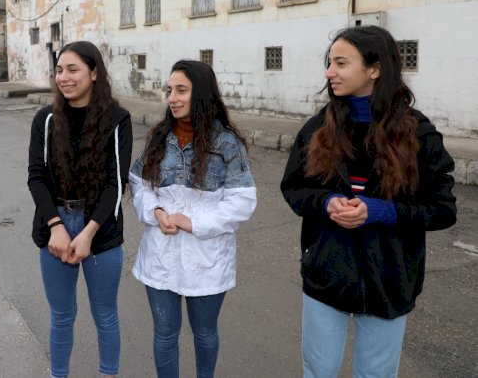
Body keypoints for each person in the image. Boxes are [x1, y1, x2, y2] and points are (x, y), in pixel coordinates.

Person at [280, 25, 457, 378]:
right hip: (327, 272)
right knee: (318, 371)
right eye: (329, 63)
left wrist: (381, 211)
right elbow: (295, 188)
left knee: (375, 375)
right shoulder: (319, 127)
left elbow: (442, 208)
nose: (330, 72)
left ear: (374, 69)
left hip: (388, 278)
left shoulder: (417, 133)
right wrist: (327, 203)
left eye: (341, 63)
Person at [129, 59, 257, 378]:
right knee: (164, 334)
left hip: (207, 257)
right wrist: (155, 212)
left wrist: (192, 222)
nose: (172, 97)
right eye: (170, 90)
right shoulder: (160, 137)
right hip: (161, 254)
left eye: (181, 90)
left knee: (204, 333)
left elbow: (242, 201)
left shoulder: (225, 142)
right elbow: (138, 183)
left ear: (200, 93)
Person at [27, 41, 133, 378]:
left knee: (105, 314)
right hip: (54, 224)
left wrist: (88, 233)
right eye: (59, 70)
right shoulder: (45, 119)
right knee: (61, 315)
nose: (64, 77)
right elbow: (36, 177)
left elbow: (116, 184)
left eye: (72, 69)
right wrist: (57, 227)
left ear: (94, 72)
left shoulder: (117, 118)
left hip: (100, 229)